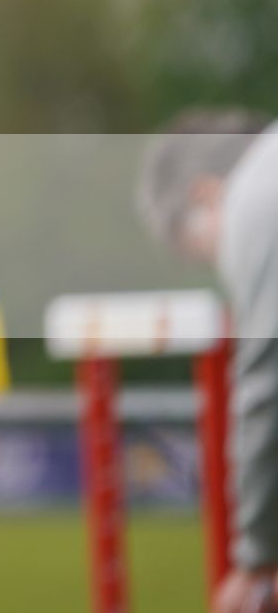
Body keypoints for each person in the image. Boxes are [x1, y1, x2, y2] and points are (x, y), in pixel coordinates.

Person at [136, 109, 278, 613]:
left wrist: (257, 560)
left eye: (209, 255)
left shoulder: (257, 200)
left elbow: (267, 380)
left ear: (204, 195)